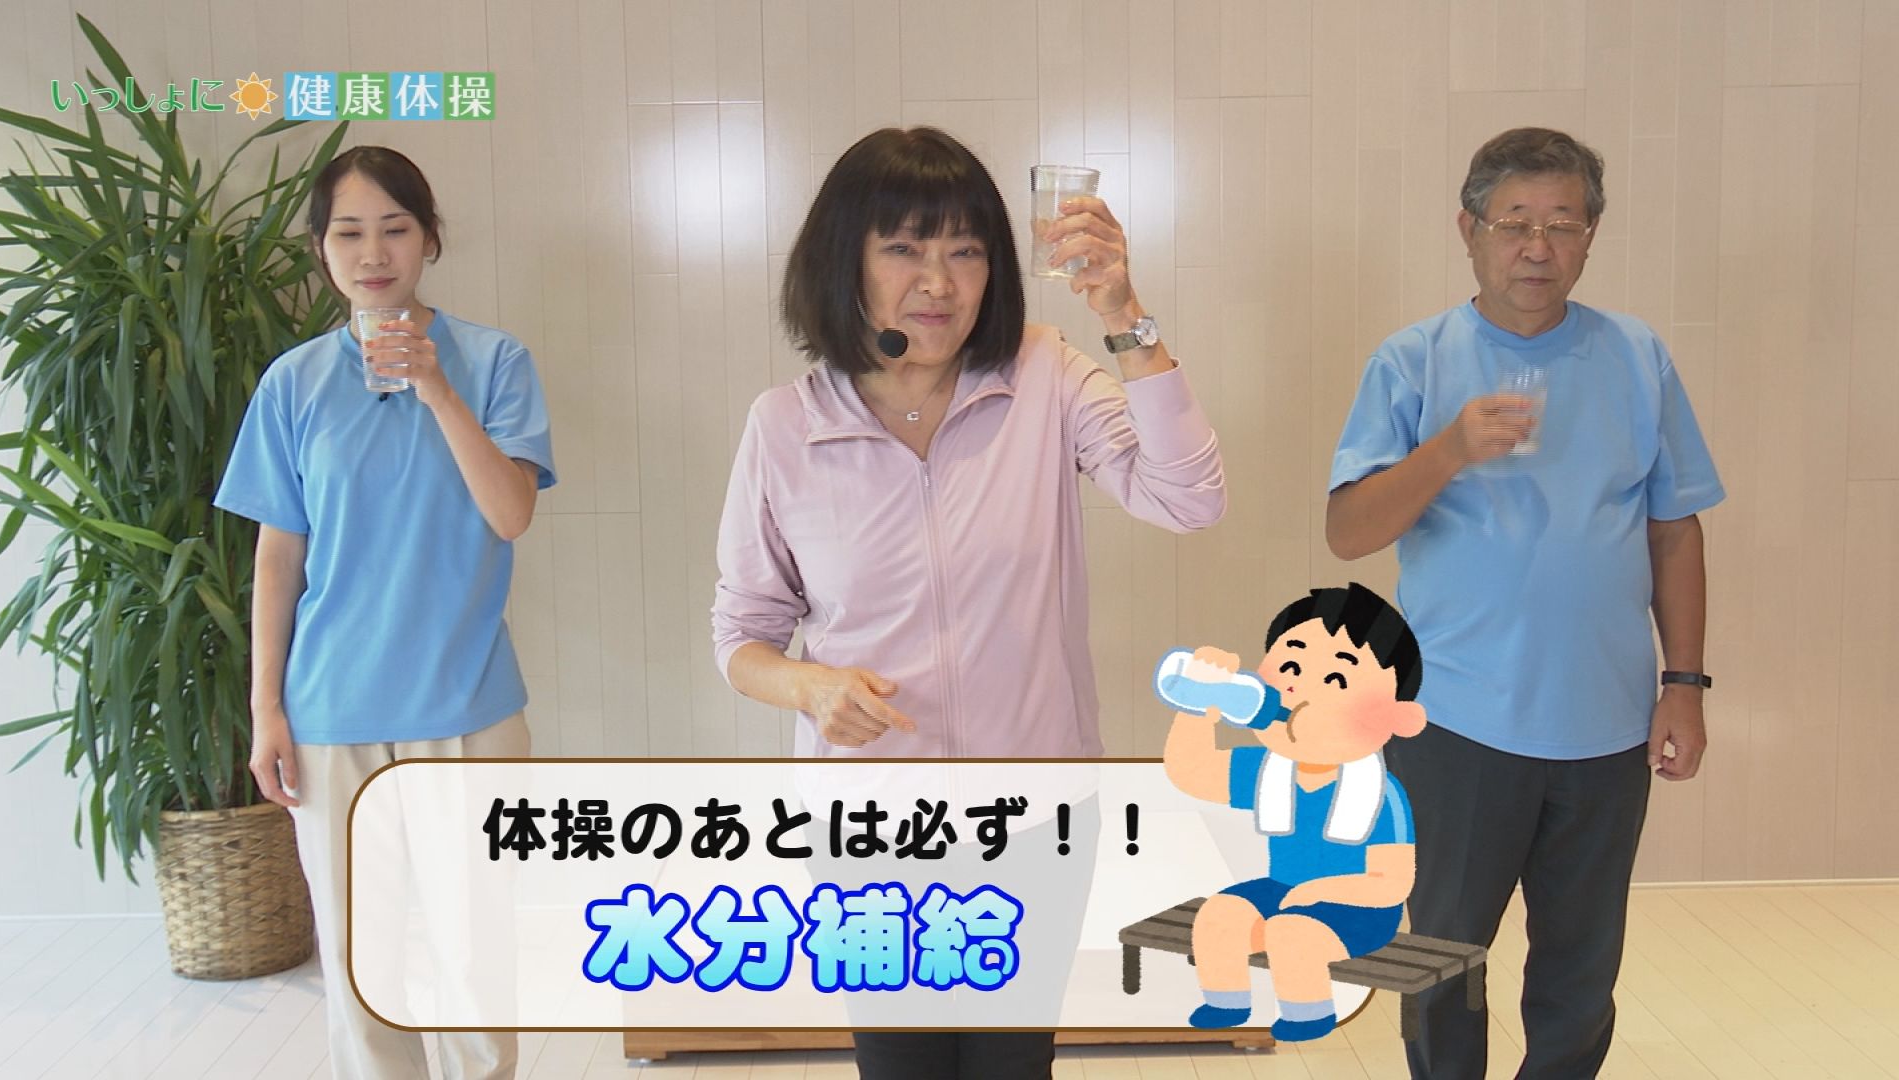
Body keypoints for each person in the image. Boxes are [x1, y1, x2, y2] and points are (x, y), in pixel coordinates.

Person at [711, 126, 1225, 1078]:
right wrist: (809, 688)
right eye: (903, 248)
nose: (938, 282)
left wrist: (1125, 312)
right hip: (869, 830)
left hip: (1031, 819)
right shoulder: (786, 426)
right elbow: (743, 634)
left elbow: (1189, 498)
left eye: (965, 250)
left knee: (1011, 1066)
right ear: (845, 260)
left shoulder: (1044, 375)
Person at [1325, 127, 1724, 1079]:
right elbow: (1349, 530)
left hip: (1606, 725)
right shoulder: (1414, 360)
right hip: (1456, 723)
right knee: (1443, 961)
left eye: (1562, 224)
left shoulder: (1637, 356)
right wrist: (1449, 450)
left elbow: (1674, 530)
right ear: (1469, 230)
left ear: (1590, 237)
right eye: (1514, 222)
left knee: (1581, 972)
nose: (1537, 247)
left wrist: (1684, 685)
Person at [215, 145, 555, 1080]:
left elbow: (511, 513)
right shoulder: (292, 382)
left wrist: (437, 388)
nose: (373, 254)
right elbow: (278, 557)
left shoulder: (495, 362)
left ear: (429, 238)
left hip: (468, 708)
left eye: (395, 229)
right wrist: (266, 711)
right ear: (320, 250)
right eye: (348, 233)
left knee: (474, 955)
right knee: (361, 962)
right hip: (331, 714)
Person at [1162, 583, 1426, 1041]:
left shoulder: (1380, 794)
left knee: (1292, 934)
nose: (1298, 691)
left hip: (1359, 908)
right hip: (1285, 889)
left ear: (1393, 715)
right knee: (1219, 915)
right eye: (1290, 667)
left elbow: (1392, 883)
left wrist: (1319, 891)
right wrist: (1199, 706)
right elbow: (1192, 772)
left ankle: (1309, 1014)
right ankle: (1226, 1001)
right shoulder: (1270, 769)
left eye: (1336, 680)